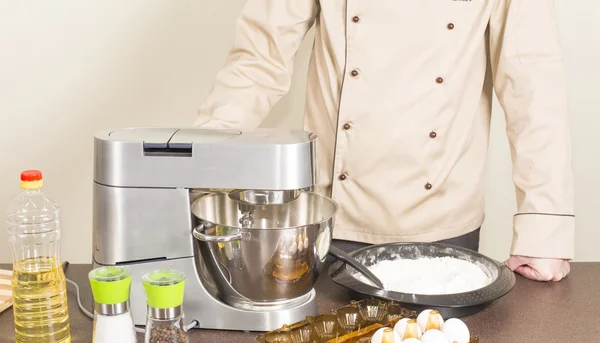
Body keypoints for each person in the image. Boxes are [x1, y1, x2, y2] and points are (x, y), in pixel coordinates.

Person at [193, 1, 574, 282]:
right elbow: (259, 61)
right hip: (333, 218)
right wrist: (192, 173)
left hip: (441, 220)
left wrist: (545, 230)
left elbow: (532, 84)